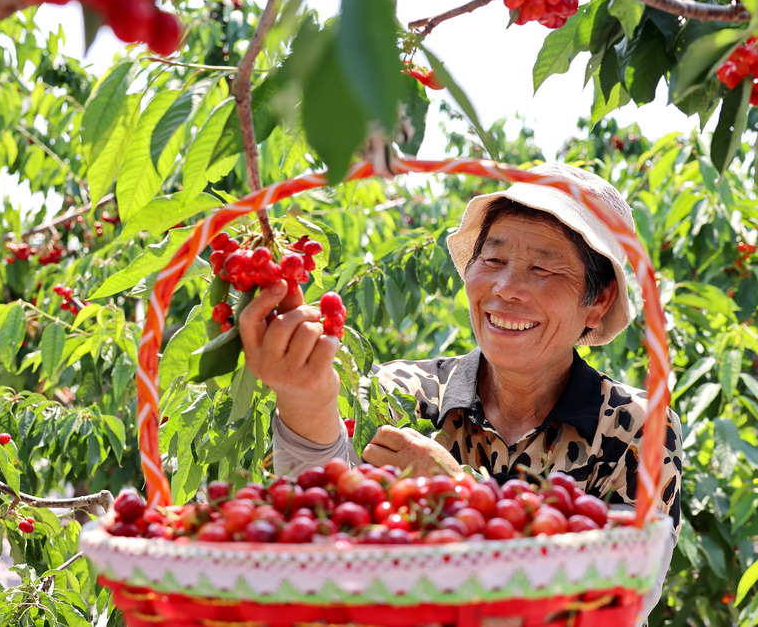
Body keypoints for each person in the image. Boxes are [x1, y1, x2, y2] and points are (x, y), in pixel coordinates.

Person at [238, 162, 683, 623]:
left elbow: (619, 599)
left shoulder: (636, 429)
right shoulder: (403, 395)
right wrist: (306, 398)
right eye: (492, 261)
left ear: (598, 302)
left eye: (543, 268)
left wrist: (462, 494)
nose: (506, 289)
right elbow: (321, 534)